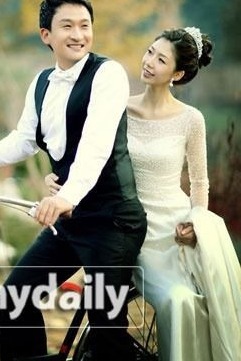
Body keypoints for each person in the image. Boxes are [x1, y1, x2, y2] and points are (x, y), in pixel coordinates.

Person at [0, 0, 147, 361]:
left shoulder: (108, 74)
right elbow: (22, 140)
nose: (78, 34)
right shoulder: (41, 82)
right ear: (46, 35)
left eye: (85, 25)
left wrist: (65, 196)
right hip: (70, 221)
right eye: (67, 26)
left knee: (106, 333)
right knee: (11, 301)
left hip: (112, 221)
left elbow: (96, 146)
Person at [46, 27, 241, 361]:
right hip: (127, 223)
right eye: (150, 52)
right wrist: (59, 180)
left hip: (175, 231)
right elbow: (89, 157)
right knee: (166, 301)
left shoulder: (191, 120)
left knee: (191, 302)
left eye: (161, 60)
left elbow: (199, 182)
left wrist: (196, 221)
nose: (149, 62)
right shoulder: (118, 109)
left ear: (177, 74)